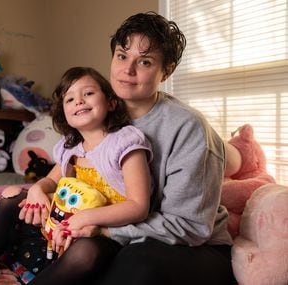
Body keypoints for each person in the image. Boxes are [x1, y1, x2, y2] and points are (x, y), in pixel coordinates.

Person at [68, 11, 235, 285]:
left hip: (196, 249)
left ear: (166, 71)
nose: (127, 70)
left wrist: (106, 231)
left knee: (137, 261)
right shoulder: (99, 110)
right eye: (122, 56)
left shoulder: (187, 128)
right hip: (126, 232)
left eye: (144, 62)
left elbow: (190, 228)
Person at [0, 66, 153, 285]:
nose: (79, 101)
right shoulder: (71, 147)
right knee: (11, 199)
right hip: (66, 217)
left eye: (88, 93)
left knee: (85, 253)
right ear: (64, 114)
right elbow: (50, 180)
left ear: (111, 102)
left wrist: (84, 219)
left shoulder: (125, 142)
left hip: (104, 230)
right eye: (70, 99)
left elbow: (138, 206)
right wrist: (37, 190)